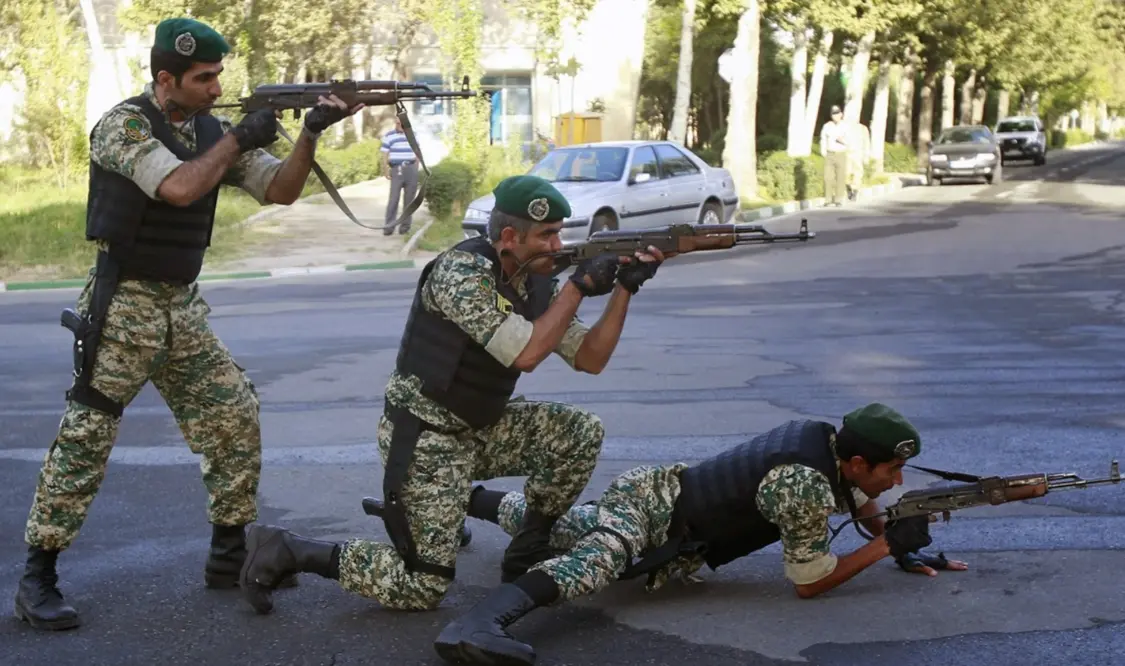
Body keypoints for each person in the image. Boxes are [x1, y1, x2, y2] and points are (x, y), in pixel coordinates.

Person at [13, 17, 362, 632]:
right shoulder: (123, 127)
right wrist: (234, 140)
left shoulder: (209, 130)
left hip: (182, 307)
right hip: (123, 308)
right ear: (165, 79)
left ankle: (227, 553)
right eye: (204, 77)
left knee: (234, 414)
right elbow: (176, 186)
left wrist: (307, 133)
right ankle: (38, 575)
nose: (215, 86)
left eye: (219, 74)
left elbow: (279, 190)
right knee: (85, 441)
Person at [237, 174, 666, 617]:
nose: (558, 246)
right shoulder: (461, 273)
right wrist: (578, 288)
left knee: (578, 432)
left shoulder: (535, 283)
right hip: (426, 439)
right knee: (423, 587)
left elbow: (591, 359)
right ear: (508, 237)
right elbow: (526, 353)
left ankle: (527, 546)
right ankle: (289, 549)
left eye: (560, 232)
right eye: (547, 235)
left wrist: (623, 290)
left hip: (480, 425)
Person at [428, 403, 968, 665]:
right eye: (888, 472)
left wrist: (899, 544)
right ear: (854, 460)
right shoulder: (804, 483)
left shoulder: (824, 442)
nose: (896, 483)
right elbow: (811, 580)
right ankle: (476, 623)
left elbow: (861, 498)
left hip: (659, 498)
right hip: (656, 516)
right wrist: (885, 545)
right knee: (598, 559)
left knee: (569, 527)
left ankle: (440, 504)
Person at [381, 116, 419, 236]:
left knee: (409, 201)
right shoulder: (389, 136)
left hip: (410, 168)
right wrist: (386, 169)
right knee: (393, 199)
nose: (399, 126)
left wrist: (416, 168)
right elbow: (385, 154)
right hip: (396, 169)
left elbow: (417, 151)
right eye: (397, 124)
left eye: (402, 124)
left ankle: (405, 228)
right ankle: (389, 227)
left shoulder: (412, 135)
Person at [820, 105, 849, 206]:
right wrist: (823, 152)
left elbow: (851, 141)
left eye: (837, 114)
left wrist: (843, 141)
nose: (835, 116)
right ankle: (827, 199)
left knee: (840, 177)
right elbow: (823, 139)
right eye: (833, 114)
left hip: (841, 154)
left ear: (841, 114)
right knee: (828, 177)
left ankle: (838, 199)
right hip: (830, 154)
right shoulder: (827, 126)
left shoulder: (845, 126)